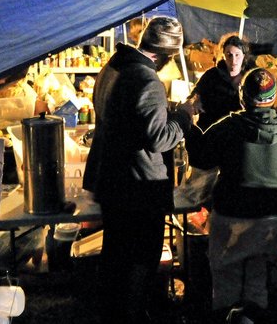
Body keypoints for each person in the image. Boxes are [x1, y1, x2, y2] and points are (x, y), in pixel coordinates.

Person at [83, 16, 196, 323]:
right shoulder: (147, 80)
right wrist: (184, 117)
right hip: (138, 187)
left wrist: (165, 113)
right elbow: (159, 139)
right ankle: (132, 315)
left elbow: (129, 120)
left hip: (111, 179)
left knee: (116, 256)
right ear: (164, 55)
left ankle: (113, 314)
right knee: (138, 261)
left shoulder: (112, 67)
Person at [185, 67, 277, 321]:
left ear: (243, 97)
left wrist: (189, 127)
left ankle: (229, 317)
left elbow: (201, 157)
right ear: (274, 98)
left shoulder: (229, 127)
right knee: (258, 277)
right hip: (272, 219)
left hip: (232, 217)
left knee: (226, 279)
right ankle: (252, 317)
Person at [189, 33, 254, 129]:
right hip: (210, 128)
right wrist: (195, 100)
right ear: (223, 55)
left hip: (236, 130)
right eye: (229, 55)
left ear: (244, 56)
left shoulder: (250, 79)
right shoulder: (212, 75)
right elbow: (195, 94)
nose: (233, 60)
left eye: (237, 55)